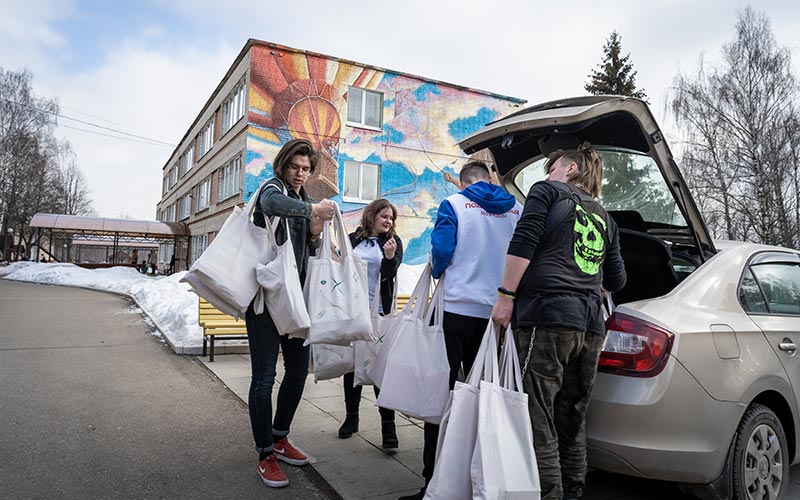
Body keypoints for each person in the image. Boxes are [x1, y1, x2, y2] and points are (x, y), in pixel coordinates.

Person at [491, 140, 626, 500]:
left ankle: (548, 493)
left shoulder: (547, 191)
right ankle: (574, 490)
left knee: (539, 413)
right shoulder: (606, 218)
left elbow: (524, 241)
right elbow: (617, 281)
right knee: (572, 415)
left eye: (553, 166)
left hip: (545, 318)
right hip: (589, 328)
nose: (547, 172)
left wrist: (505, 295)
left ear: (571, 169)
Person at [400, 160, 522, 500]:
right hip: (497, 314)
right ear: (489, 180)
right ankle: (479, 480)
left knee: (441, 395)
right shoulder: (517, 209)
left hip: (455, 310)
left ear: (464, 183)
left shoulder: (453, 204)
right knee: (487, 396)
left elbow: (440, 251)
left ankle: (434, 482)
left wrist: (441, 271)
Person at [246, 138, 336, 489]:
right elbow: (272, 204)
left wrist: (314, 233)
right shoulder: (272, 189)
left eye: (305, 169)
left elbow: (305, 249)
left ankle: (280, 436)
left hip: (295, 299)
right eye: (294, 167)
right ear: (283, 165)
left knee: (298, 372)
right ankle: (265, 452)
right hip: (266, 300)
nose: (300, 174)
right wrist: (312, 212)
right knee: (264, 378)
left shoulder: (304, 201)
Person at [337, 198, 403, 449]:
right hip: (354, 310)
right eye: (385, 216)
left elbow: (390, 275)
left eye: (391, 218)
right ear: (372, 216)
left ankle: (388, 427)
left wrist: (388, 258)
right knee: (352, 365)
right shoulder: (354, 240)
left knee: (379, 368)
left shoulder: (394, 244)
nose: (389, 221)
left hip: (379, 313)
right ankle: (351, 418)